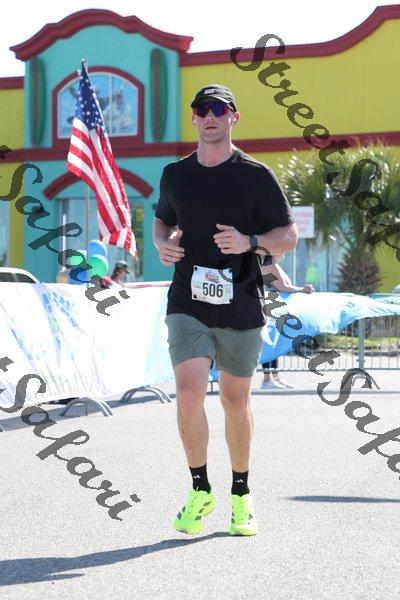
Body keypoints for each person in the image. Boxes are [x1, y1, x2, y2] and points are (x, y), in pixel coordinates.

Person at [152, 84, 298, 536]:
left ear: (234, 117)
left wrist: (249, 242)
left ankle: (241, 494)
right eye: (203, 109)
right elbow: (162, 220)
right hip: (187, 300)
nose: (210, 116)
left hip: (241, 301)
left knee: (235, 401)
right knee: (188, 392)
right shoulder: (176, 174)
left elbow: (288, 236)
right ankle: (200, 489)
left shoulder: (256, 176)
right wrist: (161, 244)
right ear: (195, 118)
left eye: (219, 109)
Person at [260, 261, 315, 389]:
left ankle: (275, 377)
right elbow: (282, 287)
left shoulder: (273, 265)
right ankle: (267, 379)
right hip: (272, 308)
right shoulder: (269, 265)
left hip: (276, 309)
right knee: (270, 343)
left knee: (274, 344)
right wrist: (302, 289)